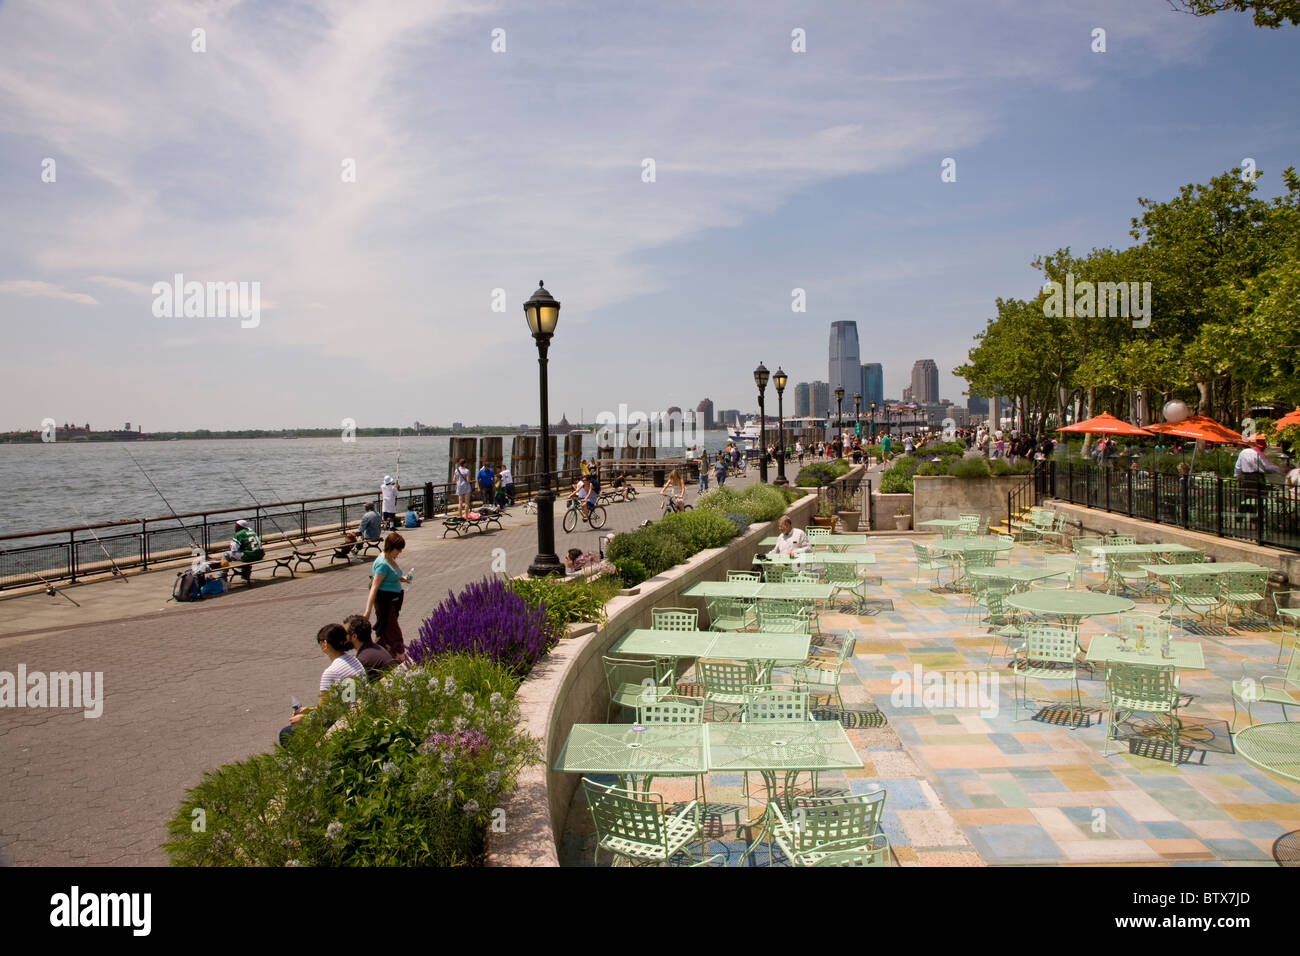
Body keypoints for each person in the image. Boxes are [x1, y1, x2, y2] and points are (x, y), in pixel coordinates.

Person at [279, 623, 366, 746]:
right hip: (357, 714)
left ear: (325, 644)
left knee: (286, 733)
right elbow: (339, 702)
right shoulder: (354, 661)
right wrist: (309, 710)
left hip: (342, 723)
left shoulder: (331, 672)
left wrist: (304, 718)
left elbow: (322, 714)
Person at [365, 532, 412, 661]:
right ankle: (400, 656)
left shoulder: (390, 559)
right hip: (385, 601)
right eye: (399, 549)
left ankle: (376, 655)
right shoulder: (382, 564)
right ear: (391, 547)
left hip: (393, 600)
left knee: (385, 630)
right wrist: (367, 611)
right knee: (393, 631)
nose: (400, 552)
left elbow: (392, 576)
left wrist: (403, 578)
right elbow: (374, 587)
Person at [1235, 436, 1282, 513]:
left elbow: (1238, 467)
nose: (1266, 446)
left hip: (1245, 477)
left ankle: (1241, 516)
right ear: (1259, 444)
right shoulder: (1258, 453)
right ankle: (1257, 517)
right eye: (1264, 444)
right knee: (1260, 497)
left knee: (1247, 497)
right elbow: (1268, 466)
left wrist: (1237, 476)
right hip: (1257, 477)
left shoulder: (1243, 452)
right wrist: (1282, 469)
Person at [345, 614, 395, 680]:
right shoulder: (375, 648)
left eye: (345, 634)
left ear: (354, 636)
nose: (343, 637)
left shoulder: (363, 659)